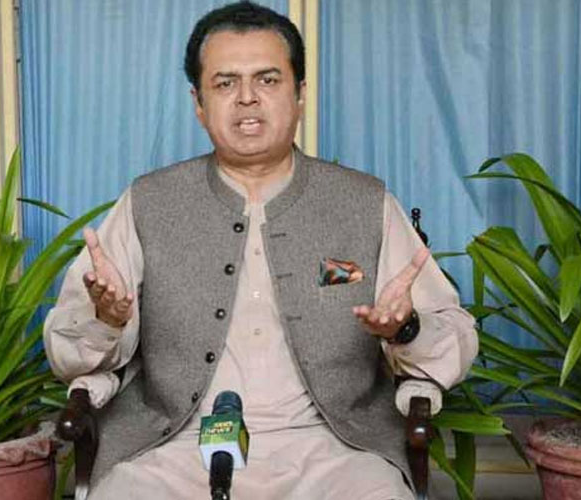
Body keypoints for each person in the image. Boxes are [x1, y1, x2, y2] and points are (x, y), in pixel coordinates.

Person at [43, 2, 477, 499]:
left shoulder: (365, 202)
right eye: (225, 83)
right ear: (198, 103)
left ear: (300, 95)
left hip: (333, 452)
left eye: (268, 80)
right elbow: (67, 352)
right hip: (174, 448)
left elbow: (454, 338)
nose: (247, 98)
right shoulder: (149, 201)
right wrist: (108, 320)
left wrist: (406, 328)